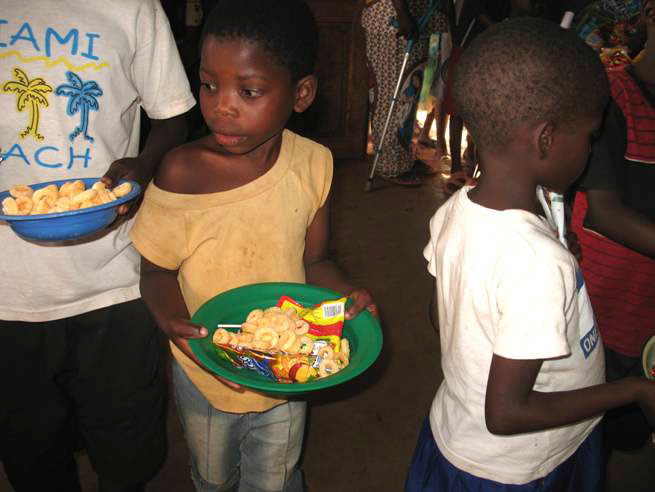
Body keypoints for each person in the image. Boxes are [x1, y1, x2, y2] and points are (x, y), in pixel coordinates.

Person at [129, 1, 378, 491]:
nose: (222, 104)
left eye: (249, 90)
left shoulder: (314, 164)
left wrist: (346, 297)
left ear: (301, 93)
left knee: (275, 476)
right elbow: (155, 272)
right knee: (213, 476)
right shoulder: (182, 172)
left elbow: (317, 259)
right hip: (206, 369)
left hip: (287, 373)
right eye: (208, 84)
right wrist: (175, 325)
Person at [406, 18, 655, 491]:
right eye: (588, 135)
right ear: (545, 139)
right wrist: (636, 389)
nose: (590, 147)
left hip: (459, 436)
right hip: (521, 467)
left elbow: (443, 317)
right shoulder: (538, 264)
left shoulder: (457, 210)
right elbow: (506, 413)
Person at [0, 1, 196, 491]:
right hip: (8, 294)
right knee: (30, 452)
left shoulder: (132, 7)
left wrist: (145, 163)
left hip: (114, 283)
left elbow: (173, 116)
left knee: (128, 447)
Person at [571, 0, 655, 458]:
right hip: (610, 305)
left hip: (646, 316)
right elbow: (603, 212)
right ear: (648, 13)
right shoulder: (612, 97)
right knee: (592, 429)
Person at [361, 0, 449, 186]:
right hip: (393, 20)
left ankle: (403, 157)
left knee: (408, 95)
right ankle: (389, 165)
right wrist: (402, 14)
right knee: (390, 93)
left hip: (417, 18)